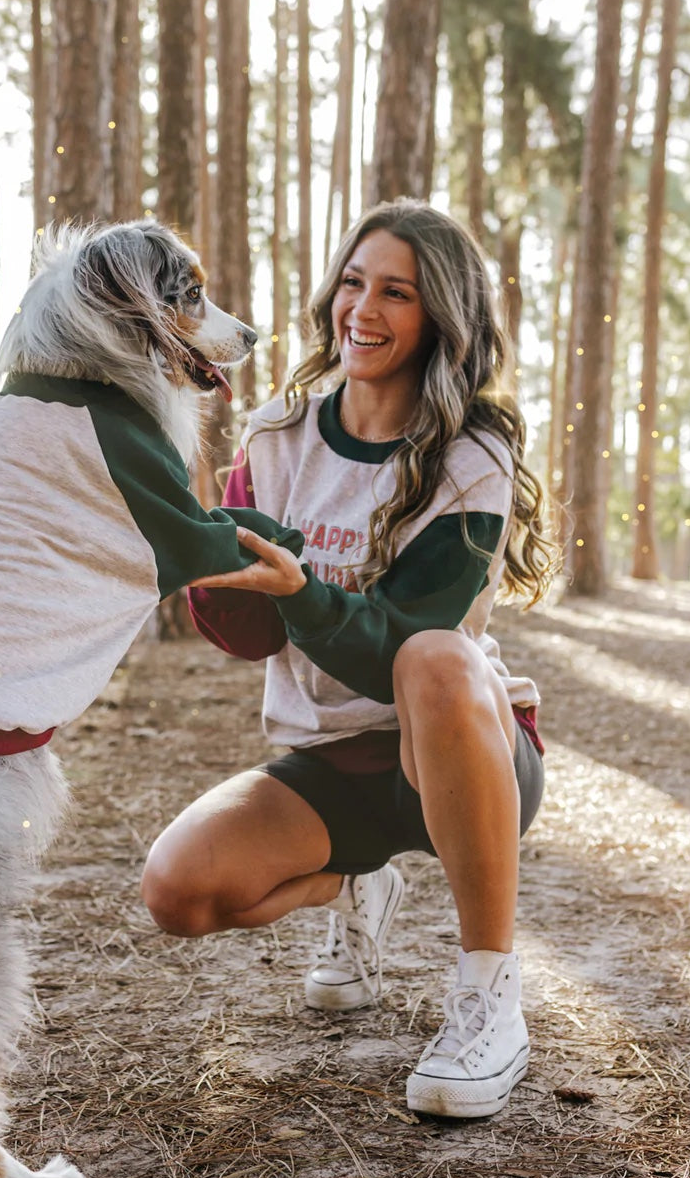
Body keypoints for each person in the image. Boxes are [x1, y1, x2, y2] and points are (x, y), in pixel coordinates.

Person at [141, 199, 560, 1120]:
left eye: (396, 293)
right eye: (352, 282)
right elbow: (250, 636)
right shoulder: (274, 434)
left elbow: (402, 650)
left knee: (439, 662)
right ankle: (356, 880)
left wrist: (299, 592)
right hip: (331, 764)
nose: (360, 309)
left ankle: (490, 994)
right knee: (176, 892)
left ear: (439, 318)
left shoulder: (470, 453)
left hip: (460, 752)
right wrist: (206, 557)